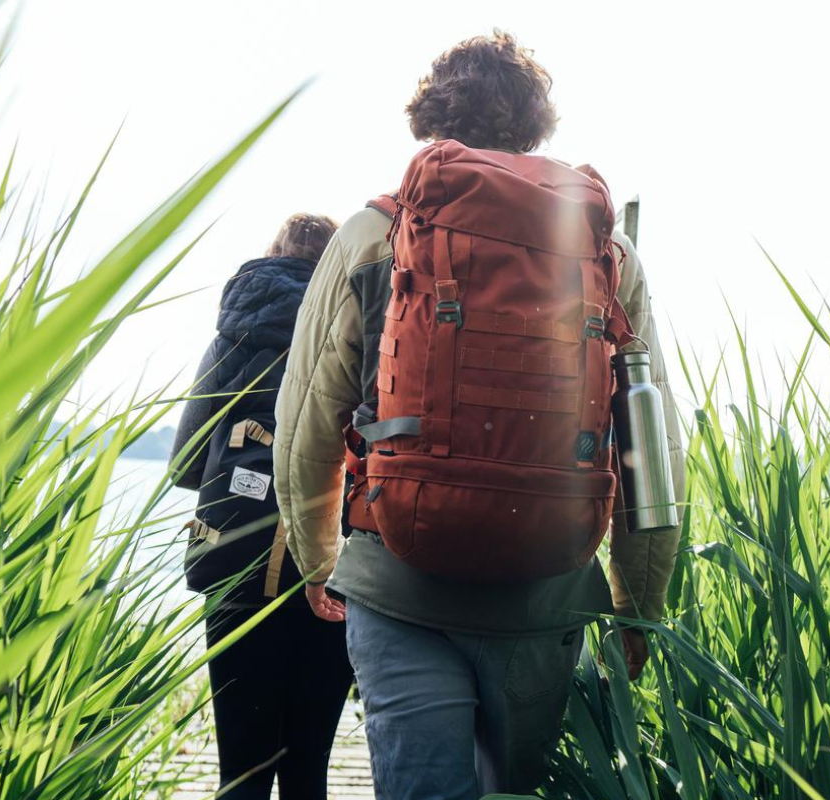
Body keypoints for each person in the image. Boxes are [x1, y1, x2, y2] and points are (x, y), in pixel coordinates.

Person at [272, 32, 686, 798]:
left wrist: (318, 560)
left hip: (400, 581)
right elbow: (651, 443)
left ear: (432, 117)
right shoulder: (604, 247)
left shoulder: (374, 233)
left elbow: (305, 421)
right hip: (547, 586)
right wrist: (637, 604)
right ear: (536, 126)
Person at [170, 212, 354, 800]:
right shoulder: (359, 331)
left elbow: (185, 465)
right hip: (328, 565)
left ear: (272, 254)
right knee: (307, 772)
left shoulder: (236, 333)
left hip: (236, 563)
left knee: (241, 775)